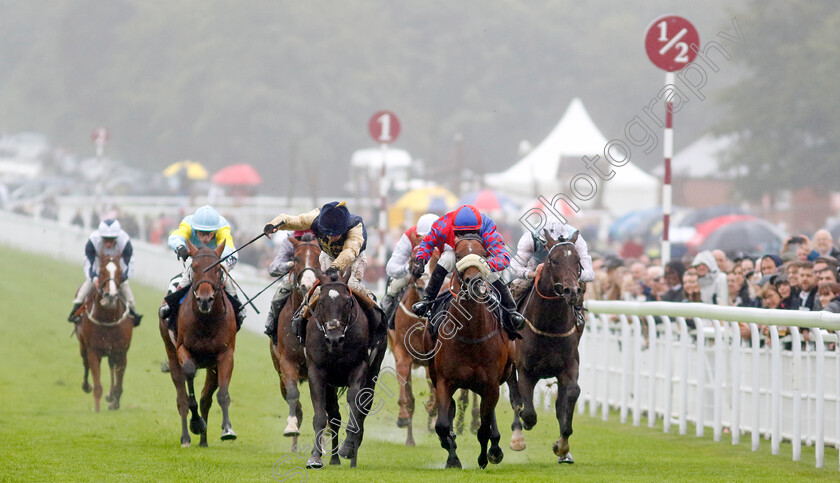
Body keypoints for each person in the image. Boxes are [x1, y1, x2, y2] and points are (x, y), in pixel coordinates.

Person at [263, 201, 381, 344]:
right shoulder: (316, 218)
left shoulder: (355, 226)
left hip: (354, 258)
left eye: (336, 234)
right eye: (328, 234)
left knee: (352, 285)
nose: (331, 238)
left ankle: (375, 314)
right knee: (319, 289)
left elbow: (350, 252)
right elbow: (295, 220)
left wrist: (336, 266)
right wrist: (274, 225)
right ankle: (301, 318)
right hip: (328, 256)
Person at [410, 205, 525, 339]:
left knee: (493, 274)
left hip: (481, 257)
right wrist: (421, 260)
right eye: (462, 234)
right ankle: (427, 301)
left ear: (479, 229)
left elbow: (504, 257)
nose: (467, 237)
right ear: (453, 230)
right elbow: (427, 243)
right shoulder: (443, 225)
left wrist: (486, 265)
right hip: (458, 254)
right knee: (446, 258)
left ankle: (511, 312)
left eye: (473, 233)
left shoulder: (487, 227)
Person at [158, 205, 245, 331]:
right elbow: (174, 237)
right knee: (188, 275)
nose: (205, 238)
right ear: (195, 229)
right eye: (201, 234)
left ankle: (238, 308)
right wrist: (180, 247)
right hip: (200, 259)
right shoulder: (188, 223)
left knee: (222, 275)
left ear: (215, 230)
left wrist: (214, 258)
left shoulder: (222, 226)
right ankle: (171, 304)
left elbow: (228, 247)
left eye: (209, 234)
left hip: (223, 257)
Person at [508, 217, 595, 321]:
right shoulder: (530, 237)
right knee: (517, 285)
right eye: (548, 244)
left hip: (566, 268)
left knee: (578, 286)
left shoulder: (576, 239)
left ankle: (578, 316)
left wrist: (574, 275)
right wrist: (532, 274)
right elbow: (513, 267)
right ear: (542, 239)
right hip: (536, 264)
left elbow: (590, 274)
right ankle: (511, 318)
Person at [68, 219, 142, 325]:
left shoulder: (124, 241)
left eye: (111, 240)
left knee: (125, 288)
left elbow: (129, 263)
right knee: (87, 286)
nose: (108, 244)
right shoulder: (93, 241)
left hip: (116, 269)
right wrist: (94, 278)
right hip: (100, 267)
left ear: (117, 237)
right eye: (105, 240)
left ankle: (132, 311)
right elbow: (89, 263)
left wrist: (121, 278)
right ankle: (76, 309)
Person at [380, 213, 439, 329]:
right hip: (414, 273)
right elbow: (391, 267)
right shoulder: (409, 236)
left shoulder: (447, 237)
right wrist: (408, 268)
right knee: (395, 285)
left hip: (438, 275)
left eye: (431, 236)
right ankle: (384, 321)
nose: (427, 240)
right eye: (423, 236)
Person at [262, 229, 314, 342]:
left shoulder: (319, 239)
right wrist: (289, 265)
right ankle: (272, 324)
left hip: (316, 276)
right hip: (295, 275)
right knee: (278, 297)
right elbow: (273, 268)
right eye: (299, 239)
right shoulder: (289, 240)